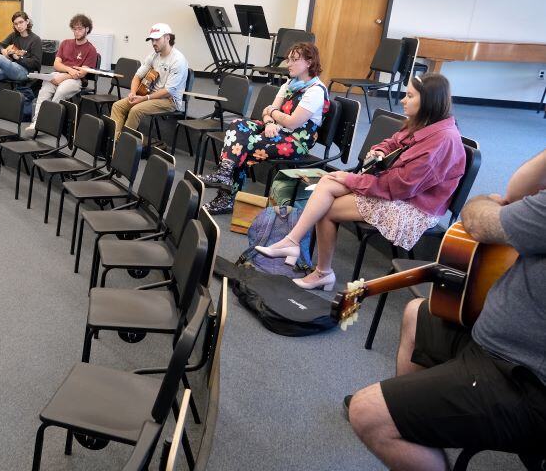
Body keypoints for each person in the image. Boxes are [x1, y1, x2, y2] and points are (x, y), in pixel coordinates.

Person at [346, 148, 546, 470]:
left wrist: (482, 203)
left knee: (365, 413)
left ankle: (399, 421)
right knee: (416, 312)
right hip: (499, 341)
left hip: (525, 376)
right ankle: (416, 421)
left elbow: (482, 221)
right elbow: (517, 192)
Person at [256, 73, 465, 291]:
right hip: (395, 187)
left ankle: (317, 268)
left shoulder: (443, 141)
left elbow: (400, 186)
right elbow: (393, 142)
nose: (403, 100)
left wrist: (354, 179)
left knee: (327, 207)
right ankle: (296, 246)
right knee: (328, 184)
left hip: (414, 207)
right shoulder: (423, 122)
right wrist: (380, 150)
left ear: (428, 101)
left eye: (410, 96)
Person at [202, 42, 330, 214]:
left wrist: (272, 114)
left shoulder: (315, 91)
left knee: (241, 146)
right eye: (288, 59)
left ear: (309, 62)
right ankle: (225, 174)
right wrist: (270, 121)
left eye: (294, 60)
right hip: (277, 130)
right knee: (237, 124)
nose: (288, 64)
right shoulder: (289, 84)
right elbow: (266, 111)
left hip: (295, 141)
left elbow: (292, 122)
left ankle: (226, 195)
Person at [109, 23, 188, 142]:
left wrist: (145, 98)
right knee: (117, 106)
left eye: (157, 39)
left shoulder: (178, 60)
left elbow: (168, 91)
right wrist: (133, 93)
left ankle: (124, 145)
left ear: (167, 38)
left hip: (169, 100)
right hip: (149, 96)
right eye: (152, 39)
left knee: (136, 110)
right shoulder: (153, 56)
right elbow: (137, 76)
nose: (153, 43)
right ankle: (114, 142)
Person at [27, 14, 98, 131]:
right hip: (60, 74)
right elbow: (56, 64)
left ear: (87, 29)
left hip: (76, 80)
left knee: (61, 91)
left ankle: (48, 122)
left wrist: (64, 76)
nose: (77, 32)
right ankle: (36, 121)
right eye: (74, 29)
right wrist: (69, 69)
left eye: (80, 29)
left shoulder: (91, 49)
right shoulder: (65, 43)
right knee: (44, 91)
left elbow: (81, 73)